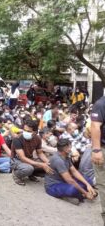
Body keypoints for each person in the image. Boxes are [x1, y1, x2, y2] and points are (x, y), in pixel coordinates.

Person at [44, 139, 96, 205]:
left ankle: (79, 194)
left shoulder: (66, 156)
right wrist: (86, 193)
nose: (71, 148)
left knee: (88, 180)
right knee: (73, 189)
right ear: (66, 149)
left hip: (64, 182)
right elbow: (69, 180)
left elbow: (74, 172)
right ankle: (79, 195)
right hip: (53, 186)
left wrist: (88, 184)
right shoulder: (58, 160)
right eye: (70, 146)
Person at [10, 119, 53, 186]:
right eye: (24, 130)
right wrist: (41, 164)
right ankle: (16, 174)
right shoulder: (17, 138)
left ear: (35, 132)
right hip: (16, 160)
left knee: (49, 165)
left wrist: (48, 162)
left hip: (29, 158)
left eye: (29, 131)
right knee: (29, 168)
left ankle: (30, 173)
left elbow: (40, 153)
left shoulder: (37, 138)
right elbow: (22, 158)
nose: (25, 132)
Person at [90, 95, 105, 223]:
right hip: (102, 150)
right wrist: (96, 149)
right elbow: (95, 126)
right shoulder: (101, 103)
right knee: (104, 184)